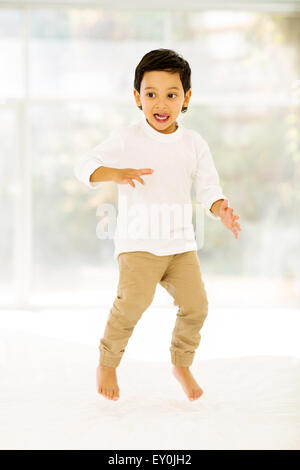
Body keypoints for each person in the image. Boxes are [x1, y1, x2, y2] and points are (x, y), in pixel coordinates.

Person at [74, 48, 242, 402]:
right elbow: (84, 165)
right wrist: (114, 173)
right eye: (151, 94)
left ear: (186, 98)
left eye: (171, 94)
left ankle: (181, 362)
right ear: (137, 97)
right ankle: (108, 361)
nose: (161, 103)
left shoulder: (194, 143)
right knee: (132, 304)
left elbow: (209, 188)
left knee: (197, 306)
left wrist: (220, 209)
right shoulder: (128, 138)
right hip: (138, 245)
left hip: (180, 246)